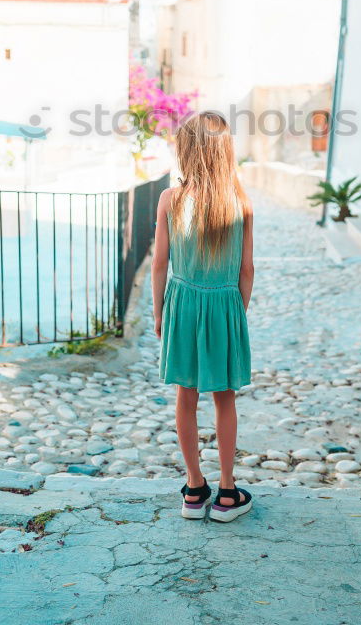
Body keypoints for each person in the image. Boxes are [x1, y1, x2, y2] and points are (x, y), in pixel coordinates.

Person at [151, 111, 254, 522]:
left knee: (185, 397)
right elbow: (247, 270)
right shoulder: (241, 201)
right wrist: (236, 314)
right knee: (224, 398)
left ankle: (194, 488)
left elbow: (160, 263)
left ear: (186, 152)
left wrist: (160, 313)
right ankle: (228, 493)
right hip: (224, 305)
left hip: (184, 303)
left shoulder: (170, 200)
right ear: (225, 152)